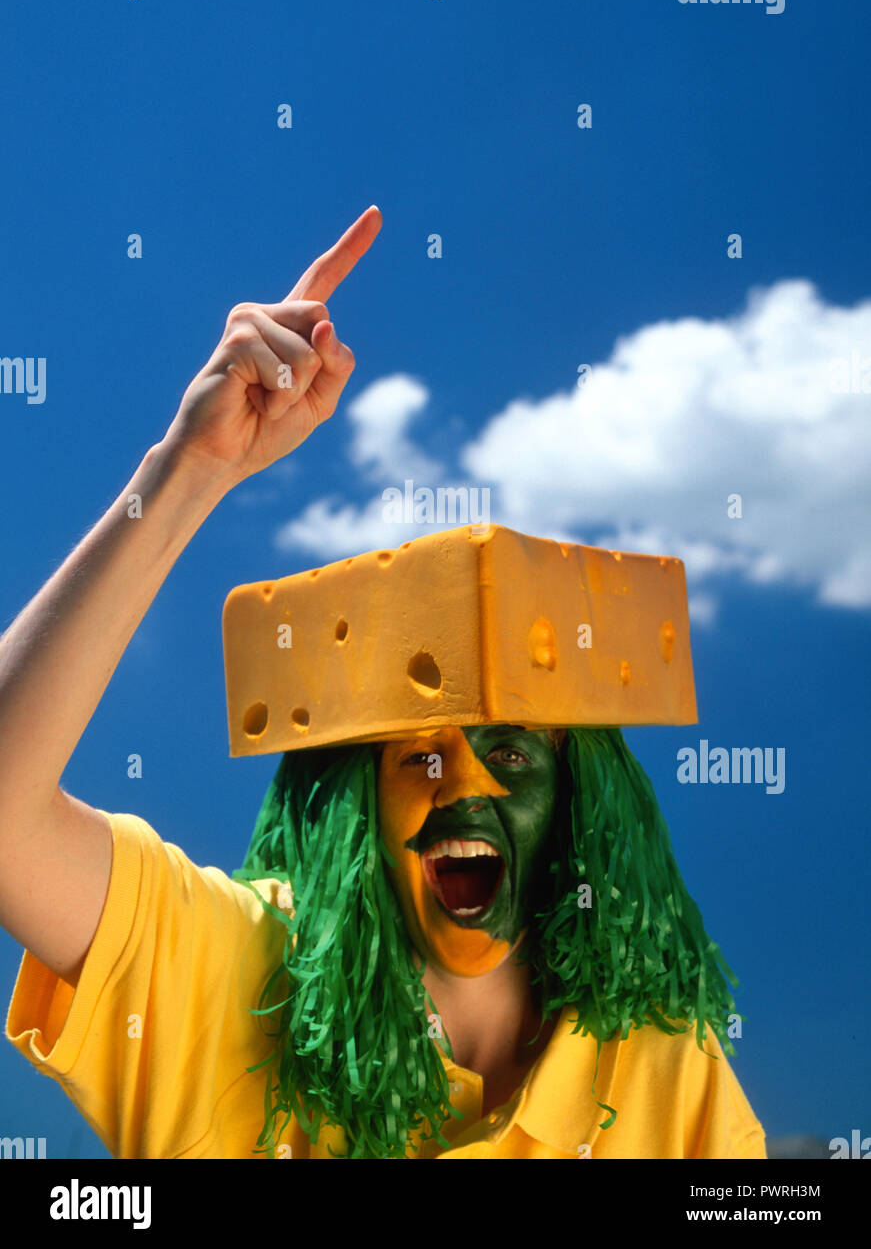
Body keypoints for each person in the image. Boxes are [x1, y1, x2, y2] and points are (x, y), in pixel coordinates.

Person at [0, 206, 766, 1159]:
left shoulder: (661, 1067)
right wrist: (188, 471)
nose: (467, 787)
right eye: (419, 754)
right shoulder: (235, 976)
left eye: (513, 752)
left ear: (579, 801)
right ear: (357, 799)